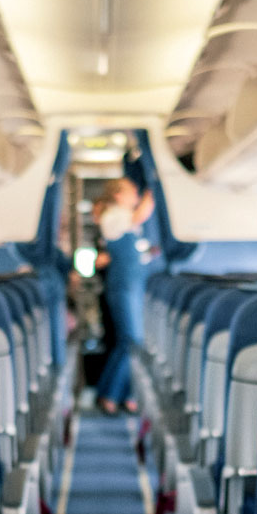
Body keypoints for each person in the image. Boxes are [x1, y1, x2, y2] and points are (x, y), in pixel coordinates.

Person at [93, 177, 155, 415]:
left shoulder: (121, 217)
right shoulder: (114, 215)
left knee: (129, 341)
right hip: (124, 285)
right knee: (131, 340)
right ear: (118, 196)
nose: (136, 196)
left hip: (132, 285)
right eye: (132, 192)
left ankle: (119, 395)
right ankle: (111, 394)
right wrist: (154, 184)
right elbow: (141, 214)